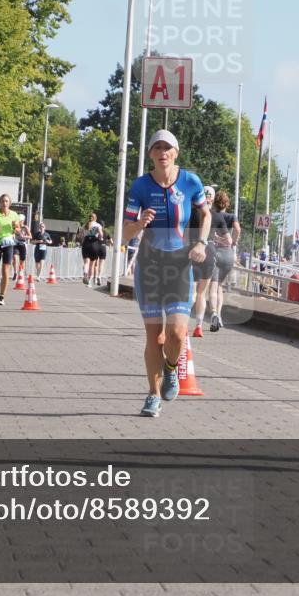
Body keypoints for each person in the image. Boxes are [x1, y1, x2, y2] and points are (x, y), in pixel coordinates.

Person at [123, 130, 210, 418]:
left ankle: (171, 369)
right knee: (155, 336)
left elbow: (206, 214)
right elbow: (123, 234)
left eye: (167, 148)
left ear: (176, 152)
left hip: (178, 265)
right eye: (157, 148)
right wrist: (139, 224)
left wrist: (200, 242)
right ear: (150, 154)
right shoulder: (140, 187)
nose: (162, 152)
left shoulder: (190, 181)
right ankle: (152, 394)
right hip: (149, 264)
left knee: (176, 333)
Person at [208, 190, 241, 332]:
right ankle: (219, 315)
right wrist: (233, 241)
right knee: (220, 286)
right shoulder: (232, 216)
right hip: (228, 254)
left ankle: (214, 312)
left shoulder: (212, 215)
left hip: (215, 251)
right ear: (227, 203)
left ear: (215, 202)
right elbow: (238, 229)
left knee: (213, 286)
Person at [189, 186, 217, 337]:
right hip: (210, 251)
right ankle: (198, 326)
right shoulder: (215, 215)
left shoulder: (192, 213)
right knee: (202, 292)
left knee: (190, 290)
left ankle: (183, 320)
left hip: (193, 248)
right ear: (212, 198)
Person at [0, 194, 22, 305]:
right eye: (2, 201)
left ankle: (1, 297)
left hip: (8, 243)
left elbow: (18, 230)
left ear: (9, 203)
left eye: (6, 201)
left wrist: (16, 228)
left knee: (6, 271)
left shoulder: (14, 215)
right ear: (0, 203)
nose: (4, 203)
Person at [82, 213, 104, 285]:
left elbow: (79, 235)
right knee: (92, 264)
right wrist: (100, 237)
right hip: (94, 244)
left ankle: (85, 273)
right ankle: (89, 279)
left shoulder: (85, 225)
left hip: (86, 243)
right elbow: (101, 235)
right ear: (95, 218)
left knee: (86, 262)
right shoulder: (98, 225)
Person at [31, 215, 52, 281]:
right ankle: (38, 274)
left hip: (44, 249)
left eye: (43, 226)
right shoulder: (37, 234)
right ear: (39, 228)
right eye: (41, 226)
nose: (42, 227)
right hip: (37, 249)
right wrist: (38, 241)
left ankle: (38, 276)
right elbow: (32, 241)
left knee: (42, 263)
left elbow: (51, 241)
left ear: (44, 227)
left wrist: (47, 241)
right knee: (37, 264)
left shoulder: (47, 234)